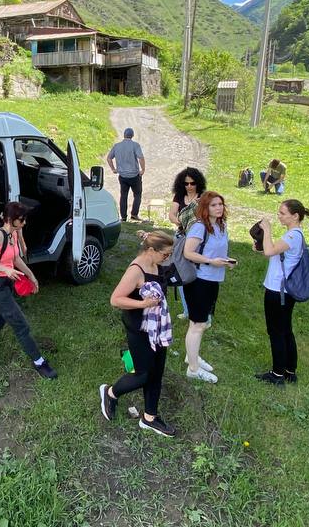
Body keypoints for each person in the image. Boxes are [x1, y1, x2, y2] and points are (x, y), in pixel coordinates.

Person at [100, 230, 178, 438]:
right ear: (151, 250)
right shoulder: (136, 270)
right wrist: (143, 303)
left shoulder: (156, 263)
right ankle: (110, 393)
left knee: (157, 372)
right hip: (139, 329)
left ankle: (149, 418)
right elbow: (116, 299)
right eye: (165, 254)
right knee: (143, 374)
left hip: (157, 327)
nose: (167, 258)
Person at [0, 202, 55, 380]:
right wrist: (5, 269)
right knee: (21, 325)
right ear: (10, 219)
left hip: (6, 284)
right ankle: (39, 362)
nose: (24, 223)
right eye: (21, 220)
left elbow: (15, 258)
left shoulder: (12, 234)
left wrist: (31, 275)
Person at [253, 199, 309, 385]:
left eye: (282, 213)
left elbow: (270, 252)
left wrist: (268, 230)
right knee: (286, 330)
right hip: (285, 291)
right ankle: (289, 370)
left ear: (295, 216)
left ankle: (277, 374)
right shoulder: (295, 235)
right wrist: (262, 245)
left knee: (276, 331)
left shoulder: (292, 236)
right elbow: (271, 252)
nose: (279, 216)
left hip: (277, 290)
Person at [181, 191, 235, 383]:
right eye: (213, 205)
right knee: (198, 324)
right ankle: (193, 369)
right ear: (205, 207)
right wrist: (211, 261)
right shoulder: (199, 227)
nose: (218, 208)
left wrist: (225, 261)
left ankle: (191, 356)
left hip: (213, 279)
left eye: (220, 204)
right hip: (199, 280)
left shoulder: (221, 225)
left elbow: (216, 251)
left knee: (201, 323)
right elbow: (188, 253)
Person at [167, 167, 207, 322]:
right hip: (182, 237)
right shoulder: (179, 196)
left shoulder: (203, 197)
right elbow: (171, 215)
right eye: (186, 184)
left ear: (198, 183)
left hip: (198, 239)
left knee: (200, 276)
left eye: (192, 183)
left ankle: (204, 312)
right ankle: (187, 310)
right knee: (182, 273)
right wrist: (181, 221)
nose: (189, 186)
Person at [106, 127, 146, 222]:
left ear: (124, 135)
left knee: (123, 195)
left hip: (122, 176)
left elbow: (109, 158)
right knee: (137, 194)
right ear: (132, 135)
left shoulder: (117, 146)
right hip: (134, 176)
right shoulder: (135, 145)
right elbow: (141, 158)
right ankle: (134, 214)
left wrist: (113, 169)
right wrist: (143, 169)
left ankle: (123, 217)